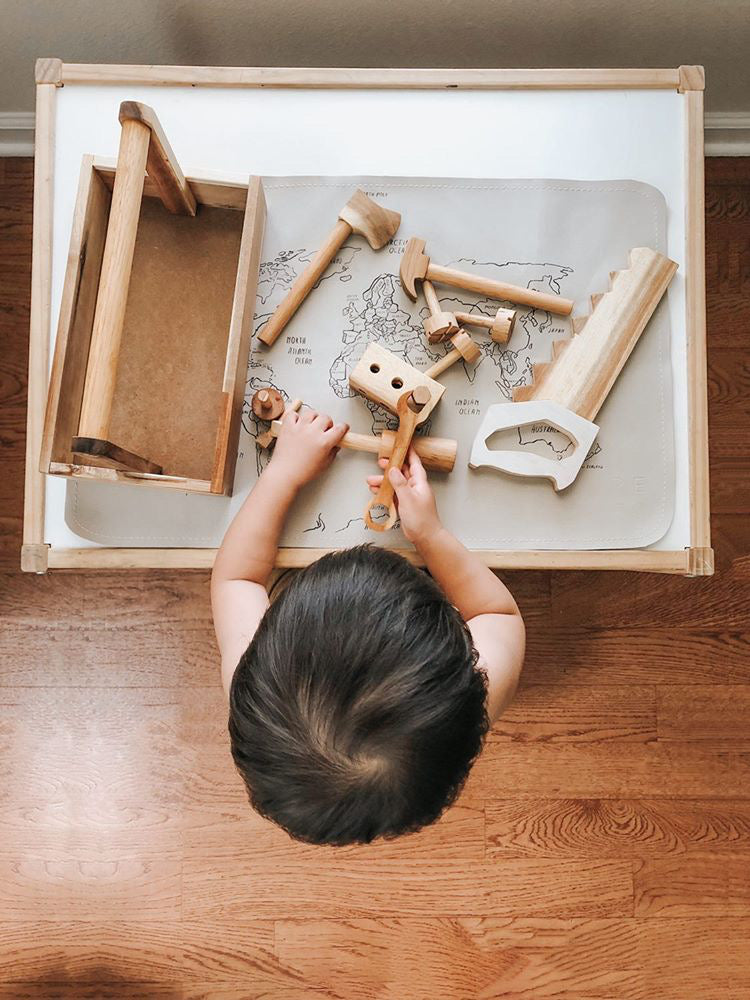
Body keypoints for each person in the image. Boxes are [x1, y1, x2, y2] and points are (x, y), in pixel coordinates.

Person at [211, 407, 525, 846]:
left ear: (267, 638)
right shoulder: (481, 689)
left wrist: (283, 473)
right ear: (459, 662)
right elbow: (497, 614)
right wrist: (430, 535)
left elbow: (237, 576)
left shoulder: (255, 689)